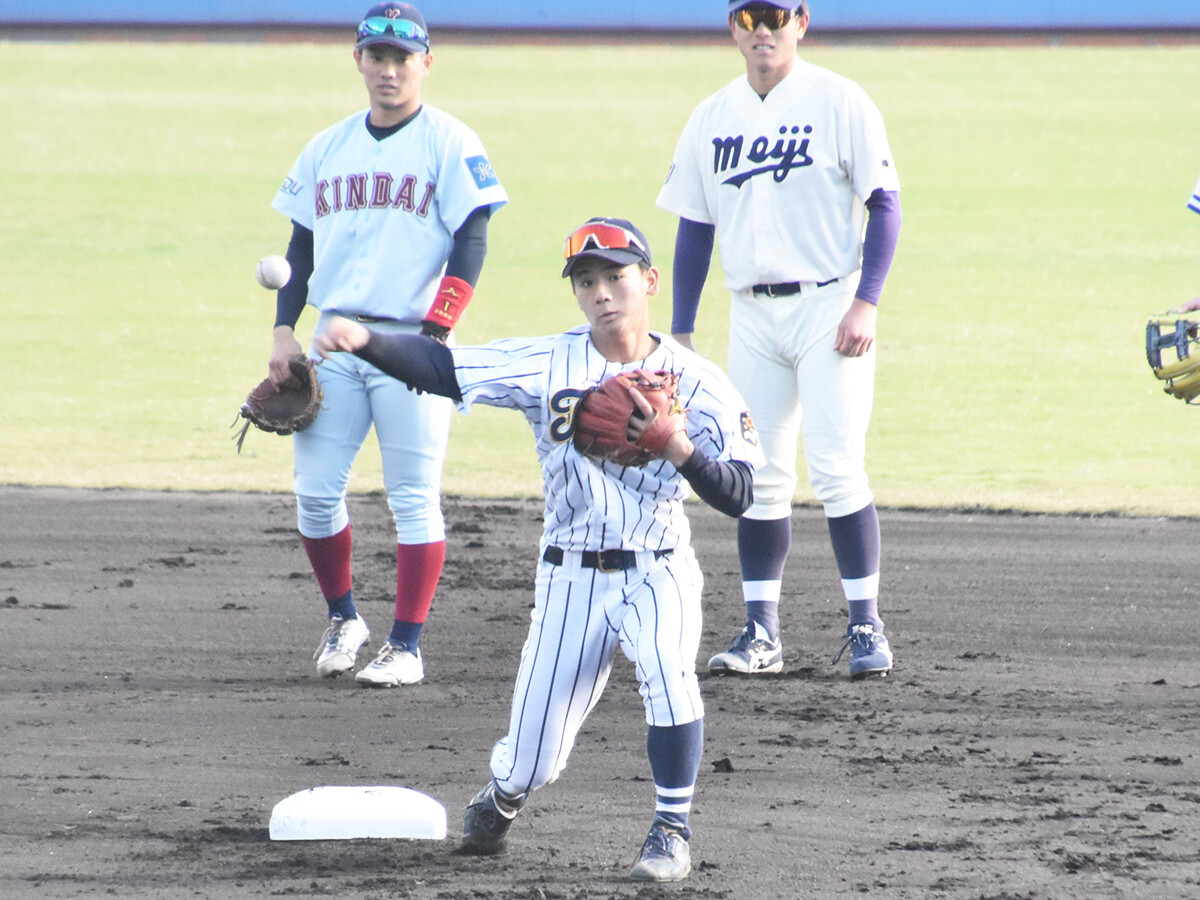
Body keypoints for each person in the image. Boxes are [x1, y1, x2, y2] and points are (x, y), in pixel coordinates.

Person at [313, 217, 764, 881]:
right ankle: (503, 798)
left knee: (669, 678)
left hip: (659, 569)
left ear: (649, 280)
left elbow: (741, 494)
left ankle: (671, 830)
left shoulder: (700, 383)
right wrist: (363, 340)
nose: (603, 291)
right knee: (532, 762)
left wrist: (678, 447)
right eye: (588, 281)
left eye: (616, 275)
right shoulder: (548, 362)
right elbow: (443, 367)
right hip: (569, 580)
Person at [656, 1, 903, 680]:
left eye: (775, 15)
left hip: (831, 304)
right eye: (748, 17)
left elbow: (885, 202)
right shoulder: (712, 115)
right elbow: (694, 226)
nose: (761, 30)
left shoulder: (839, 100)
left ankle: (865, 628)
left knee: (835, 465)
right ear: (732, 28)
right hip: (751, 312)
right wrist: (680, 329)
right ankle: (760, 633)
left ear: (801, 21)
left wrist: (866, 302)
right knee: (759, 476)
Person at [265, 2, 507, 687]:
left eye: (404, 58)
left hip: (409, 341)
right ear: (359, 61)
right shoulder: (327, 147)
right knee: (314, 493)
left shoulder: (451, 141)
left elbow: (473, 238)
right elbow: (299, 249)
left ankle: (407, 645)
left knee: (412, 496)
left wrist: (436, 331)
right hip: (335, 338)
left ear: (426, 63)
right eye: (378, 56)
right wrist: (283, 330)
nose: (390, 70)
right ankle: (345, 618)